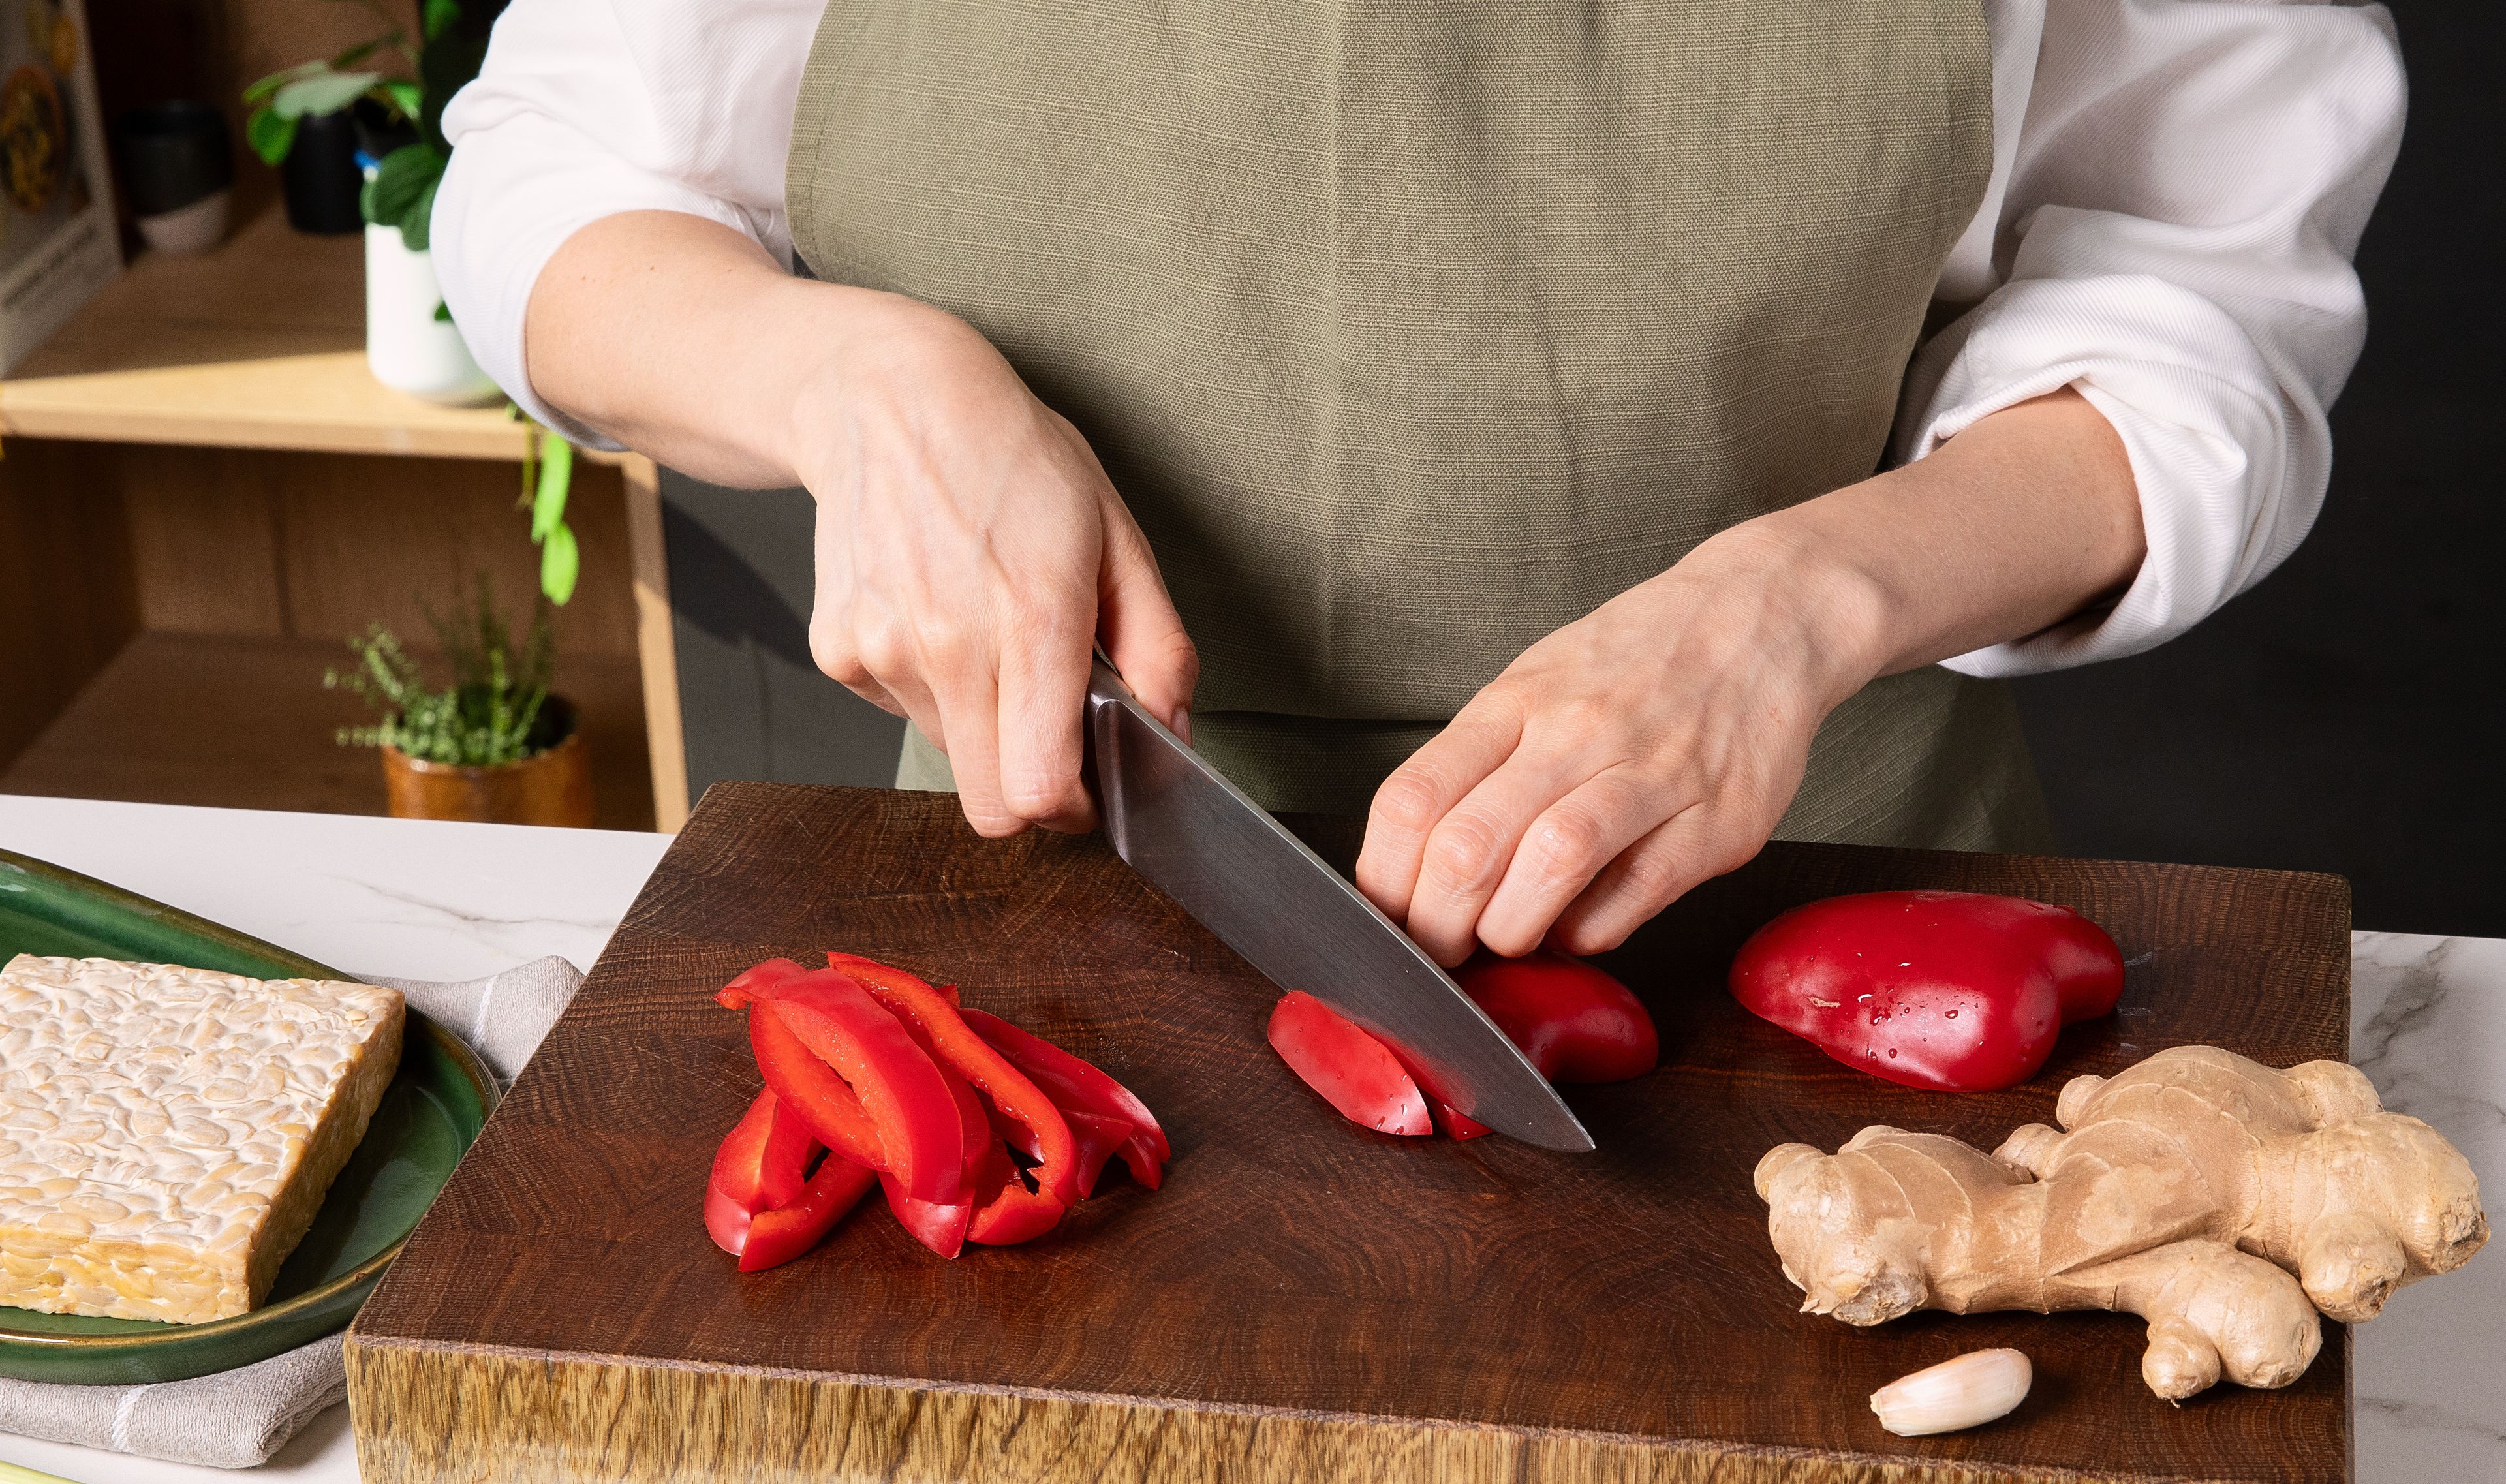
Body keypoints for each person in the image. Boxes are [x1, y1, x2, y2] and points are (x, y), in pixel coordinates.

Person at [434, 0, 2402, 966]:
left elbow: (2204, 294)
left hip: (1815, 908)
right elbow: (549, 185)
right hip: (1034, 873)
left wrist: (1797, 609)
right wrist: (853, 381)